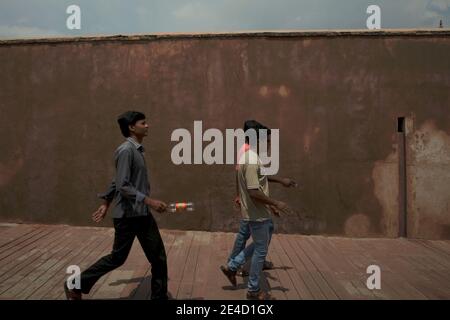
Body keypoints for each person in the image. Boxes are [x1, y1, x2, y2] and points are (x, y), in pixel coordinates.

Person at [64, 111, 169, 300]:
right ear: (131, 127)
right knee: (117, 258)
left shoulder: (135, 150)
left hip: (141, 214)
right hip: (128, 216)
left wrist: (106, 202)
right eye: (143, 123)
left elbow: (116, 180)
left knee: (158, 258)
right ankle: (74, 284)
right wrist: (150, 201)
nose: (147, 126)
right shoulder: (126, 150)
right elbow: (122, 184)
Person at [221, 120, 296, 300]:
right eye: (267, 141)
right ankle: (253, 290)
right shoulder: (252, 159)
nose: (269, 144)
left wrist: (280, 181)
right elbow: (254, 191)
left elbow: (258, 180)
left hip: (257, 212)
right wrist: (276, 203)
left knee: (260, 243)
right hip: (256, 213)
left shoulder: (249, 158)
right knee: (259, 249)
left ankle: (233, 266)